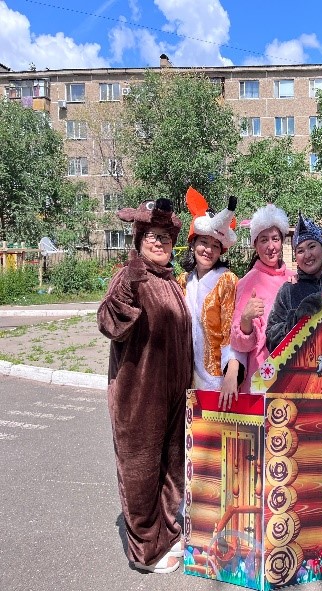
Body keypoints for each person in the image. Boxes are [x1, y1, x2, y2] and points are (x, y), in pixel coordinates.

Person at [97, 197, 192, 574]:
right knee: (141, 472)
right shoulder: (130, 276)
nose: (159, 243)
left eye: (165, 238)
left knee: (170, 468)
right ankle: (146, 550)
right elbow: (109, 324)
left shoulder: (169, 282)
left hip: (173, 397)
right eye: (152, 236)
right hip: (139, 396)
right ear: (139, 240)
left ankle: (167, 533)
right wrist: (127, 286)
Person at [178, 188, 243, 410]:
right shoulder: (183, 281)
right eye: (204, 242)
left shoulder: (226, 280)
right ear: (193, 243)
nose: (208, 250)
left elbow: (230, 332)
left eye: (216, 245)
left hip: (217, 379)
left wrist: (231, 373)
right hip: (186, 375)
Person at [230, 204, 295, 393]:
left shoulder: (295, 279)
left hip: (294, 372)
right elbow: (239, 344)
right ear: (255, 245)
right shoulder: (248, 282)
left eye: (275, 239)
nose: (270, 246)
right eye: (264, 240)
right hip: (262, 375)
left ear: (282, 241)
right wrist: (245, 318)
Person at [266, 213, 322, 353]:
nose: (307, 255)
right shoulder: (289, 291)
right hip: (306, 365)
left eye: (312, 246)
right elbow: (271, 340)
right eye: (300, 251)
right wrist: (295, 321)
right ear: (296, 257)